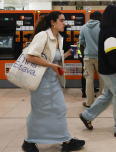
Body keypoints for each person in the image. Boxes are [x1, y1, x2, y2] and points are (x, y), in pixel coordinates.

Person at [22, 11, 85, 152]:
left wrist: (66, 55)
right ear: (53, 22)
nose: (65, 23)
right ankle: (29, 141)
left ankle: (65, 139)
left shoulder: (58, 38)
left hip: (52, 80)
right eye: (62, 20)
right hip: (40, 82)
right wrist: (51, 66)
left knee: (59, 109)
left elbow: (51, 58)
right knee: (39, 111)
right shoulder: (43, 36)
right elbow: (30, 56)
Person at [79, 5, 116, 138]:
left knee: (107, 96)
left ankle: (87, 116)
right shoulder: (110, 32)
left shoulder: (105, 30)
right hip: (112, 71)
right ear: (113, 16)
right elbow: (112, 53)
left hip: (106, 69)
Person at [79, 11, 104, 108]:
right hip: (100, 57)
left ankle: (89, 102)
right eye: (101, 17)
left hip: (87, 57)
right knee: (102, 79)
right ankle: (102, 102)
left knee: (89, 79)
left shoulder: (84, 27)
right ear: (97, 17)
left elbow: (81, 43)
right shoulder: (101, 26)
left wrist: (83, 55)